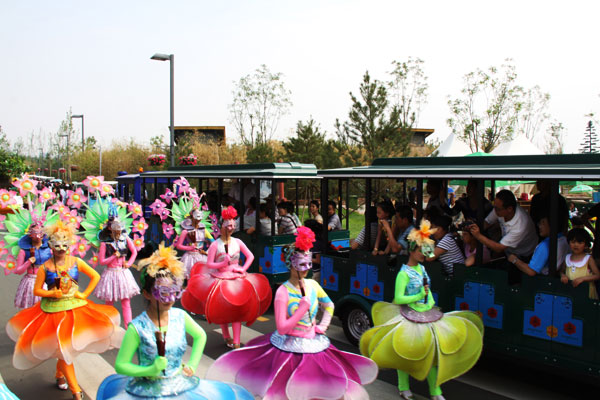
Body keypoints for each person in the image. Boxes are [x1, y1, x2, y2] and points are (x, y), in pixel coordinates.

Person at [206, 226, 378, 399]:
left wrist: (322, 326)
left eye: (309, 263)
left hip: (315, 346)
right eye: (301, 264)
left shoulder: (313, 285)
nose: (306, 268)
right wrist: (301, 310)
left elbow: (330, 305)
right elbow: (282, 328)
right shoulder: (283, 292)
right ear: (290, 264)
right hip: (289, 352)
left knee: (323, 390)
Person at [96, 244, 253, 400]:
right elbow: (121, 365)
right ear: (146, 294)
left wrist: (192, 365)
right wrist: (150, 370)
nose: (170, 299)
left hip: (180, 387)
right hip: (147, 392)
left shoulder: (180, 316)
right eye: (163, 293)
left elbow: (200, 336)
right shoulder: (137, 327)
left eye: (174, 292)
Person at [360, 220, 484, 400]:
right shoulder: (403, 274)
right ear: (411, 251)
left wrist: (429, 302)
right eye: (420, 250)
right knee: (406, 355)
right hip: (408, 317)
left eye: (425, 250)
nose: (423, 254)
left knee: (433, 355)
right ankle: (403, 387)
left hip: (427, 315)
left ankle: (436, 391)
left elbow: (428, 290)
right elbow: (399, 297)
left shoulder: (423, 269)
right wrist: (418, 297)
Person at [6, 221, 122, 400]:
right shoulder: (45, 267)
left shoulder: (76, 261)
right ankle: (76, 391)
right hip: (52, 311)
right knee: (63, 349)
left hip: (75, 309)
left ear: (69, 245)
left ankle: (61, 375)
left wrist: (84, 294)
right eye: (57, 244)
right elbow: (37, 290)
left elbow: (95, 276)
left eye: (64, 244)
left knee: (65, 349)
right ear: (50, 245)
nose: (61, 248)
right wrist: (51, 292)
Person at [181, 206, 272, 349]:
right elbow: (210, 263)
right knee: (222, 309)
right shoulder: (215, 245)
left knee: (237, 312)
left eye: (233, 225)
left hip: (236, 279)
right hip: (220, 279)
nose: (231, 228)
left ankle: (236, 341)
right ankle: (226, 336)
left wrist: (242, 268)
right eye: (228, 225)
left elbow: (250, 256)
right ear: (222, 225)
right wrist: (221, 264)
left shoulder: (238, 242)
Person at [97, 213, 140, 327]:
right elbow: (102, 261)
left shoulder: (125, 239)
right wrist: (114, 256)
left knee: (126, 302)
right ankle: (109, 326)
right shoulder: (105, 243)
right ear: (110, 228)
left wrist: (129, 263)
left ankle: (129, 327)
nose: (118, 231)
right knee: (109, 303)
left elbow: (134, 252)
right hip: (110, 274)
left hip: (123, 273)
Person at [469, 189, 538, 260]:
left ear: (509, 209)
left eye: (497, 209)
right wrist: (473, 228)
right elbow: (487, 223)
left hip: (525, 255)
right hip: (509, 251)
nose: (495, 211)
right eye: (494, 207)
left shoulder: (520, 226)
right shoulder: (499, 209)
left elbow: (498, 248)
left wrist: (478, 235)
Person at [11, 222, 53, 309]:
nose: (37, 236)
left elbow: (56, 267)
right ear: (30, 235)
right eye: (35, 233)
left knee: (47, 309)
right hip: (31, 282)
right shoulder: (23, 251)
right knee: (31, 310)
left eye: (40, 233)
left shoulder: (49, 250)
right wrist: (28, 262)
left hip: (46, 281)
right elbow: (18, 271)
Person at [560, 228, 600, 299]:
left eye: (580, 243)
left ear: (586, 244)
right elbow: (562, 271)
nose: (576, 245)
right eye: (573, 242)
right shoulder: (567, 258)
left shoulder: (588, 259)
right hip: (571, 293)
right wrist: (563, 276)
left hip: (587, 294)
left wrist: (583, 279)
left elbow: (597, 275)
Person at [174, 207, 212, 279]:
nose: (198, 220)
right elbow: (178, 245)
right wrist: (189, 248)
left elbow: (213, 243)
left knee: (202, 277)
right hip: (190, 257)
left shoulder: (203, 230)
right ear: (192, 218)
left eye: (200, 217)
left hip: (201, 256)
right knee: (190, 277)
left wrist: (207, 252)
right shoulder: (185, 231)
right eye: (196, 217)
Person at [304, 219, 326, 284]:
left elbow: (318, 260)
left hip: (317, 273)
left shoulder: (316, 243)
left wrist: (306, 258)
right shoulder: (315, 240)